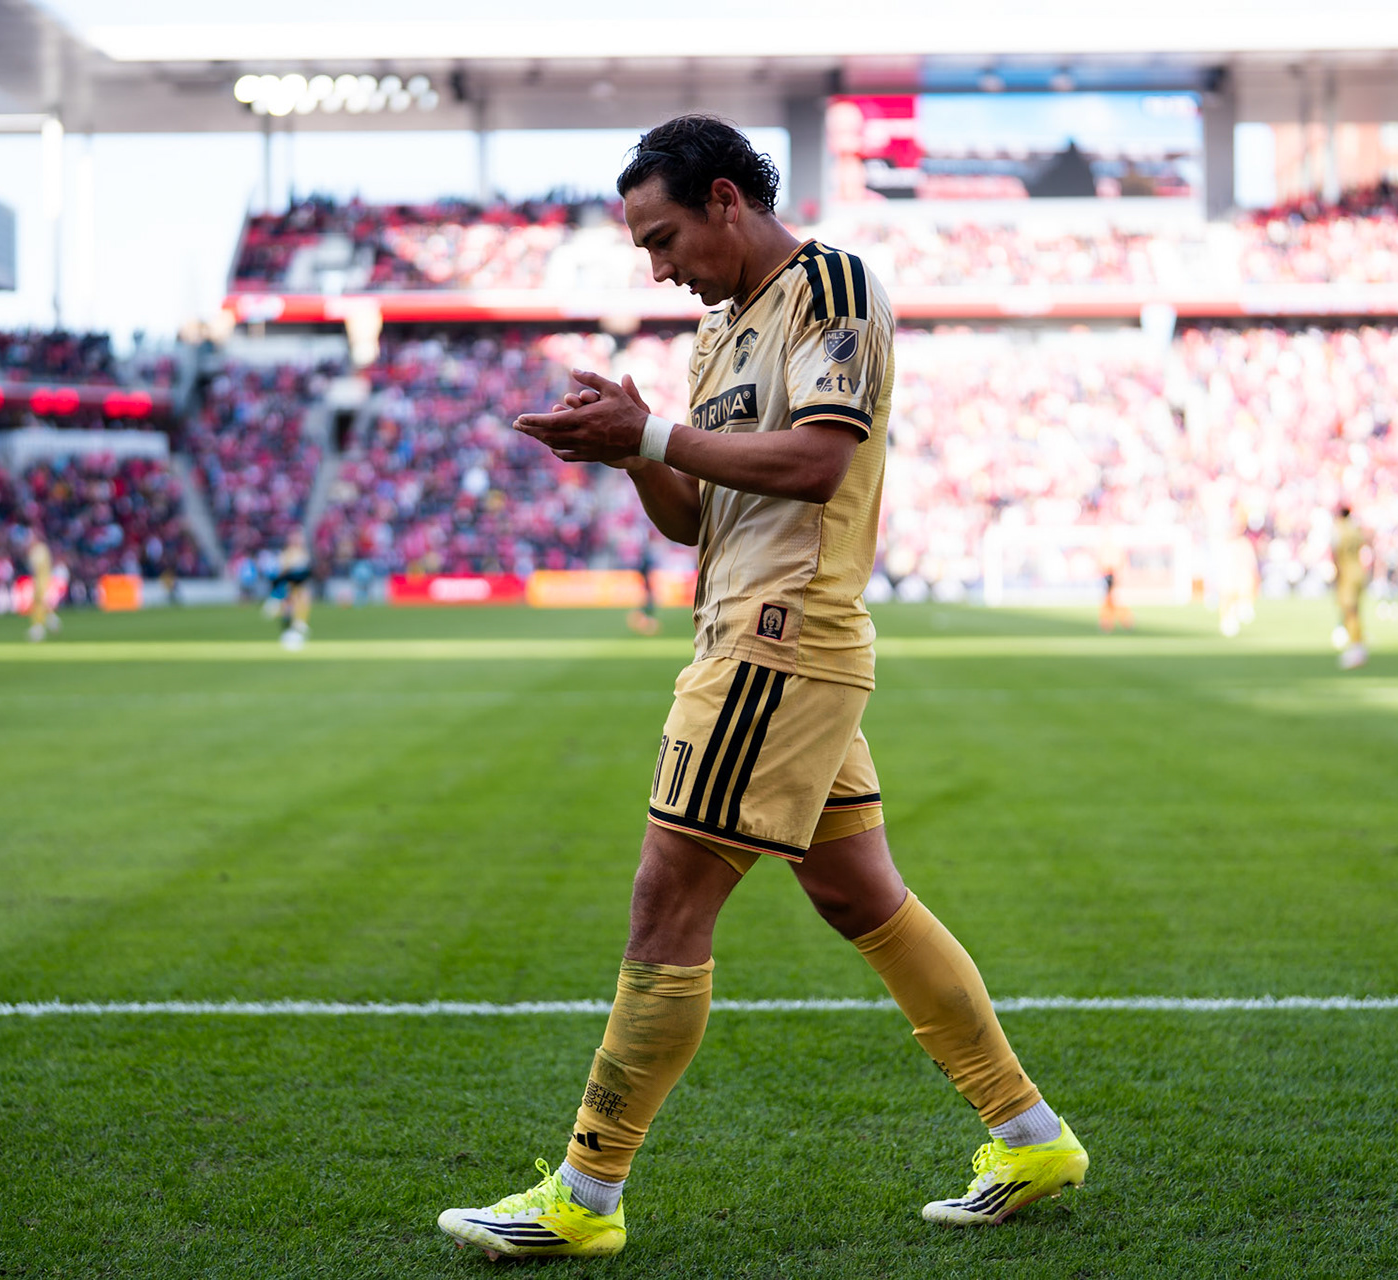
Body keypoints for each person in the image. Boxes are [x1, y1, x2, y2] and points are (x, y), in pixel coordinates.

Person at [438, 116, 1087, 1262]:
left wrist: (653, 430)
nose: (658, 266)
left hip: (779, 641)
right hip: (753, 630)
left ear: (729, 200)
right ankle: (1028, 1130)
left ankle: (586, 1193)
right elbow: (701, 511)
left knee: (666, 898)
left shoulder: (830, 285)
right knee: (859, 895)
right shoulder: (720, 332)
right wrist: (636, 448)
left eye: (665, 236)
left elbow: (817, 462)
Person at [1332, 505, 1369, 669]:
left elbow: (1335, 553)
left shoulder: (1339, 530)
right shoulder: (1355, 529)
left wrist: (1337, 575)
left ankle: (1356, 649)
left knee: (1349, 612)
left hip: (1347, 573)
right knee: (1356, 612)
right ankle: (1358, 645)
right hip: (1359, 572)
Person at [268, 528, 313, 649]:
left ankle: (299, 625)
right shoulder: (287, 554)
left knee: (302, 602)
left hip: (299, 585)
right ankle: (289, 630)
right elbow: (283, 570)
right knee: (289, 606)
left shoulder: (302, 553)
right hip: (290, 585)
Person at [25, 534, 60, 642]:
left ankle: (40, 626)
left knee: (39, 602)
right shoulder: (39, 549)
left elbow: (37, 566)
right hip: (41, 578)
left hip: (42, 579)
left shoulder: (39, 549)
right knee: (40, 602)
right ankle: (52, 621)